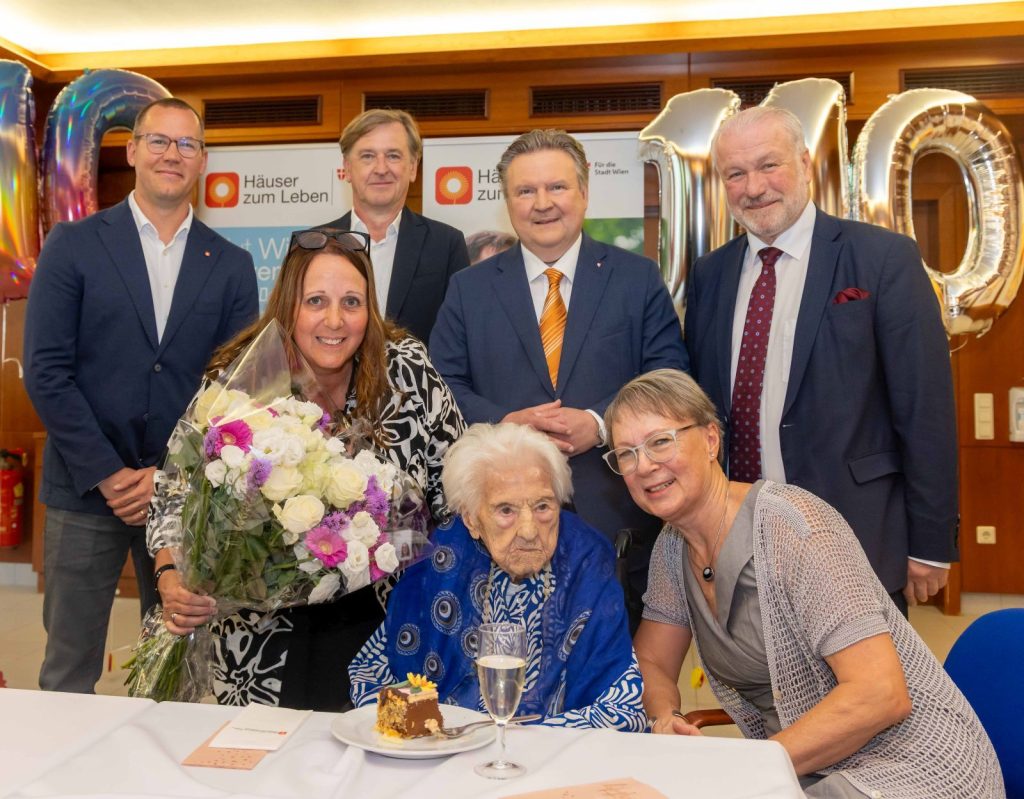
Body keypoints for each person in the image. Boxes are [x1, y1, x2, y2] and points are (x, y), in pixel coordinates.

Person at [604, 369, 1003, 798]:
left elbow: (881, 694)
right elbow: (652, 662)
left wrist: (742, 768)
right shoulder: (672, 547)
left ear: (710, 440)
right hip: (800, 768)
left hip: (913, 768)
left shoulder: (795, 529)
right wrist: (665, 717)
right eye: (626, 454)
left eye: (660, 441)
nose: (644, 465)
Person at [148, 228, 466, 710]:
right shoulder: (244, 377)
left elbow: (458, 486)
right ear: (287, 305)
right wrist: (171, 575)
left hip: (391, 621)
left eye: (352, 302)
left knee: (378, 750)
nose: (334, 320)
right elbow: (174, 491)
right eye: (316, 301)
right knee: (271, 753)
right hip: (262, 632)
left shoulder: (407, 371)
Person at [23, 98, 258, 694]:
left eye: (186, 144)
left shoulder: (231, 265)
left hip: (185, 499)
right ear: (131, 151)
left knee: (177, 670)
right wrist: (109, 474)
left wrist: (170, 477)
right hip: (85, 491)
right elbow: (47, 371)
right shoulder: (73, 245)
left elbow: (232, 389)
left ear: (202, 160)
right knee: (69, 667)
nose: (172, 155)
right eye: (158, 141)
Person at [684, 106, 957, 613]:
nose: (753, 187)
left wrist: (930, 541)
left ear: (805, 164)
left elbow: (925, 408)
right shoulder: (709, 274)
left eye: (769, 165)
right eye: (735, 174)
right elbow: (702, 406)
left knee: (864, 667)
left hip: (856, 532)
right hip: (737, 537)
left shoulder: (882, 257)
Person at [430, 129, 688, 618]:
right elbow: (441, 388)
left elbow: (669, 373)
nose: (542, 203)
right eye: (525, 191)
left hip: (618, 524)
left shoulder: (636, 278)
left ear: (584, 193)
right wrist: (506, 425)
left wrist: (600, 422)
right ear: (508, 202)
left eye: (557, 187)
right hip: (499, 531)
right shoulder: (468, 289)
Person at [349, 422, 645, 730]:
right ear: (471, 519)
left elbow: (622, 709)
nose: (529, 531)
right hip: (446, 747)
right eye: (506, 511)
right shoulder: (441, 560)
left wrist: (521, 741)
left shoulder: (586, 561)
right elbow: (371, 674)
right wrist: (429, 733)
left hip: (556, 751)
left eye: (543, 506)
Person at [321, 109, 469, 343]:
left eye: (393, 156)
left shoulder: (447, 244)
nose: (381, 169)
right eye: (367, 156)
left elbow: (460, 338)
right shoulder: (313, 244)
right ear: (347, 168)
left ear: (413, 168)